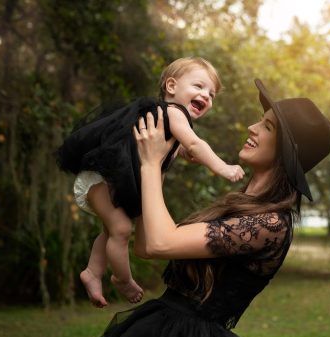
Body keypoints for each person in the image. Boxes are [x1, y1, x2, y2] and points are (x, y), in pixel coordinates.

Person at [82, 79, 330, 337]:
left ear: (286, 152)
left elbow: (160, 242)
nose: (252, 127)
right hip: (162, 328)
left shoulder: (270, 224)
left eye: (267, 126)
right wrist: (158, 166)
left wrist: (150, 164)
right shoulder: (241, 204)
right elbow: (145, 245)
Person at [56, 57, 245, 307]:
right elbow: (196, 144)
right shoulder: (173, 113)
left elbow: (185, 150)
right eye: (199, 87)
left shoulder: (163, 120)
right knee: (121, 229)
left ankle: (92, 271)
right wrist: (223, 167)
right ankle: (121, 279)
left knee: (113, 229)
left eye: (211, 94)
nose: (206, 96)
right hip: (100, 178)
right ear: (171, 87)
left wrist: (188, 155)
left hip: (112, 183)